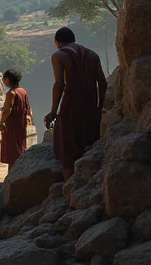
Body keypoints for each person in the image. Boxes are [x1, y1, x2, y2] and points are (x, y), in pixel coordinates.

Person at [44, 27, 108, 180]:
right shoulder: (92, 55)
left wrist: (53, 112)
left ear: (57, 42)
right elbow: (103, 82)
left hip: (71, 104)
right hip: (90, 104)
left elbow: (59, 84)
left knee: (68, 148)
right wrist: (99, 107)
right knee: (88, 142)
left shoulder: (59, 56)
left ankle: (70, 186)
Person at [0, 69, 32, 170]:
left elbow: (7, 110)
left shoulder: (11, 93)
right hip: (21, 125)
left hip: (12, 125)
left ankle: (13, 175)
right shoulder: (23, 91)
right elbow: (28, 109)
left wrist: (2, 122)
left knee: (12, 153)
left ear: (8, 79)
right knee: (19, 148)